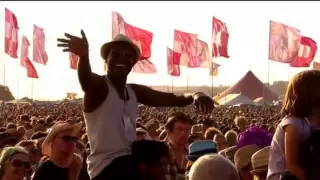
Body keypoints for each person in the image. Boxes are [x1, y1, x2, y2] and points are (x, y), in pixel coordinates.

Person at [57, 31, 214, 180]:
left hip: (129, 160)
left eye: (128, 56)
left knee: (161, 153)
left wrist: (196, 95)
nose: (122, 59)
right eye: (116, 54)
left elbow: (172, 98)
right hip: (106, 168)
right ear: (106, 60)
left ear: (133, 62)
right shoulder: (100, 87)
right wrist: (84, 57)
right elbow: (87, 81)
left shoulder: (133, 91)